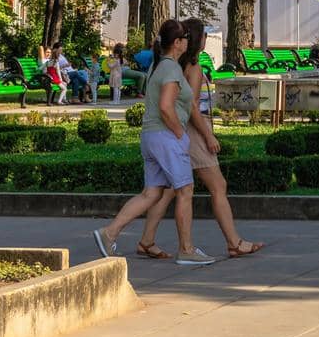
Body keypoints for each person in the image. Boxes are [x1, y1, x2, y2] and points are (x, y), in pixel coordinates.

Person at [137, 19, 264, 262]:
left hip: (176, 130)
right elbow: (192, 106)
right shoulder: (192, 67)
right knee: (218, 186)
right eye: (204, 35)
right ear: (197, 40)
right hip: (191, 132)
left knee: (168, 191)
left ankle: (146, 240)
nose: (207, 39)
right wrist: (208, 135)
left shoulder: (173, 63)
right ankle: (233, 242)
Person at [94, 19, 214, 266]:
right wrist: (180, 133)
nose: (188, 43)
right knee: (185, 190)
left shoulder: (159, 66)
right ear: (178, 43)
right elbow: (166, 107)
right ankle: (187, 249)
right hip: (166, 137)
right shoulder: (170, 68)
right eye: (185, 39)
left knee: (152, 193)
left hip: (151, 136)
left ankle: (109, 233)